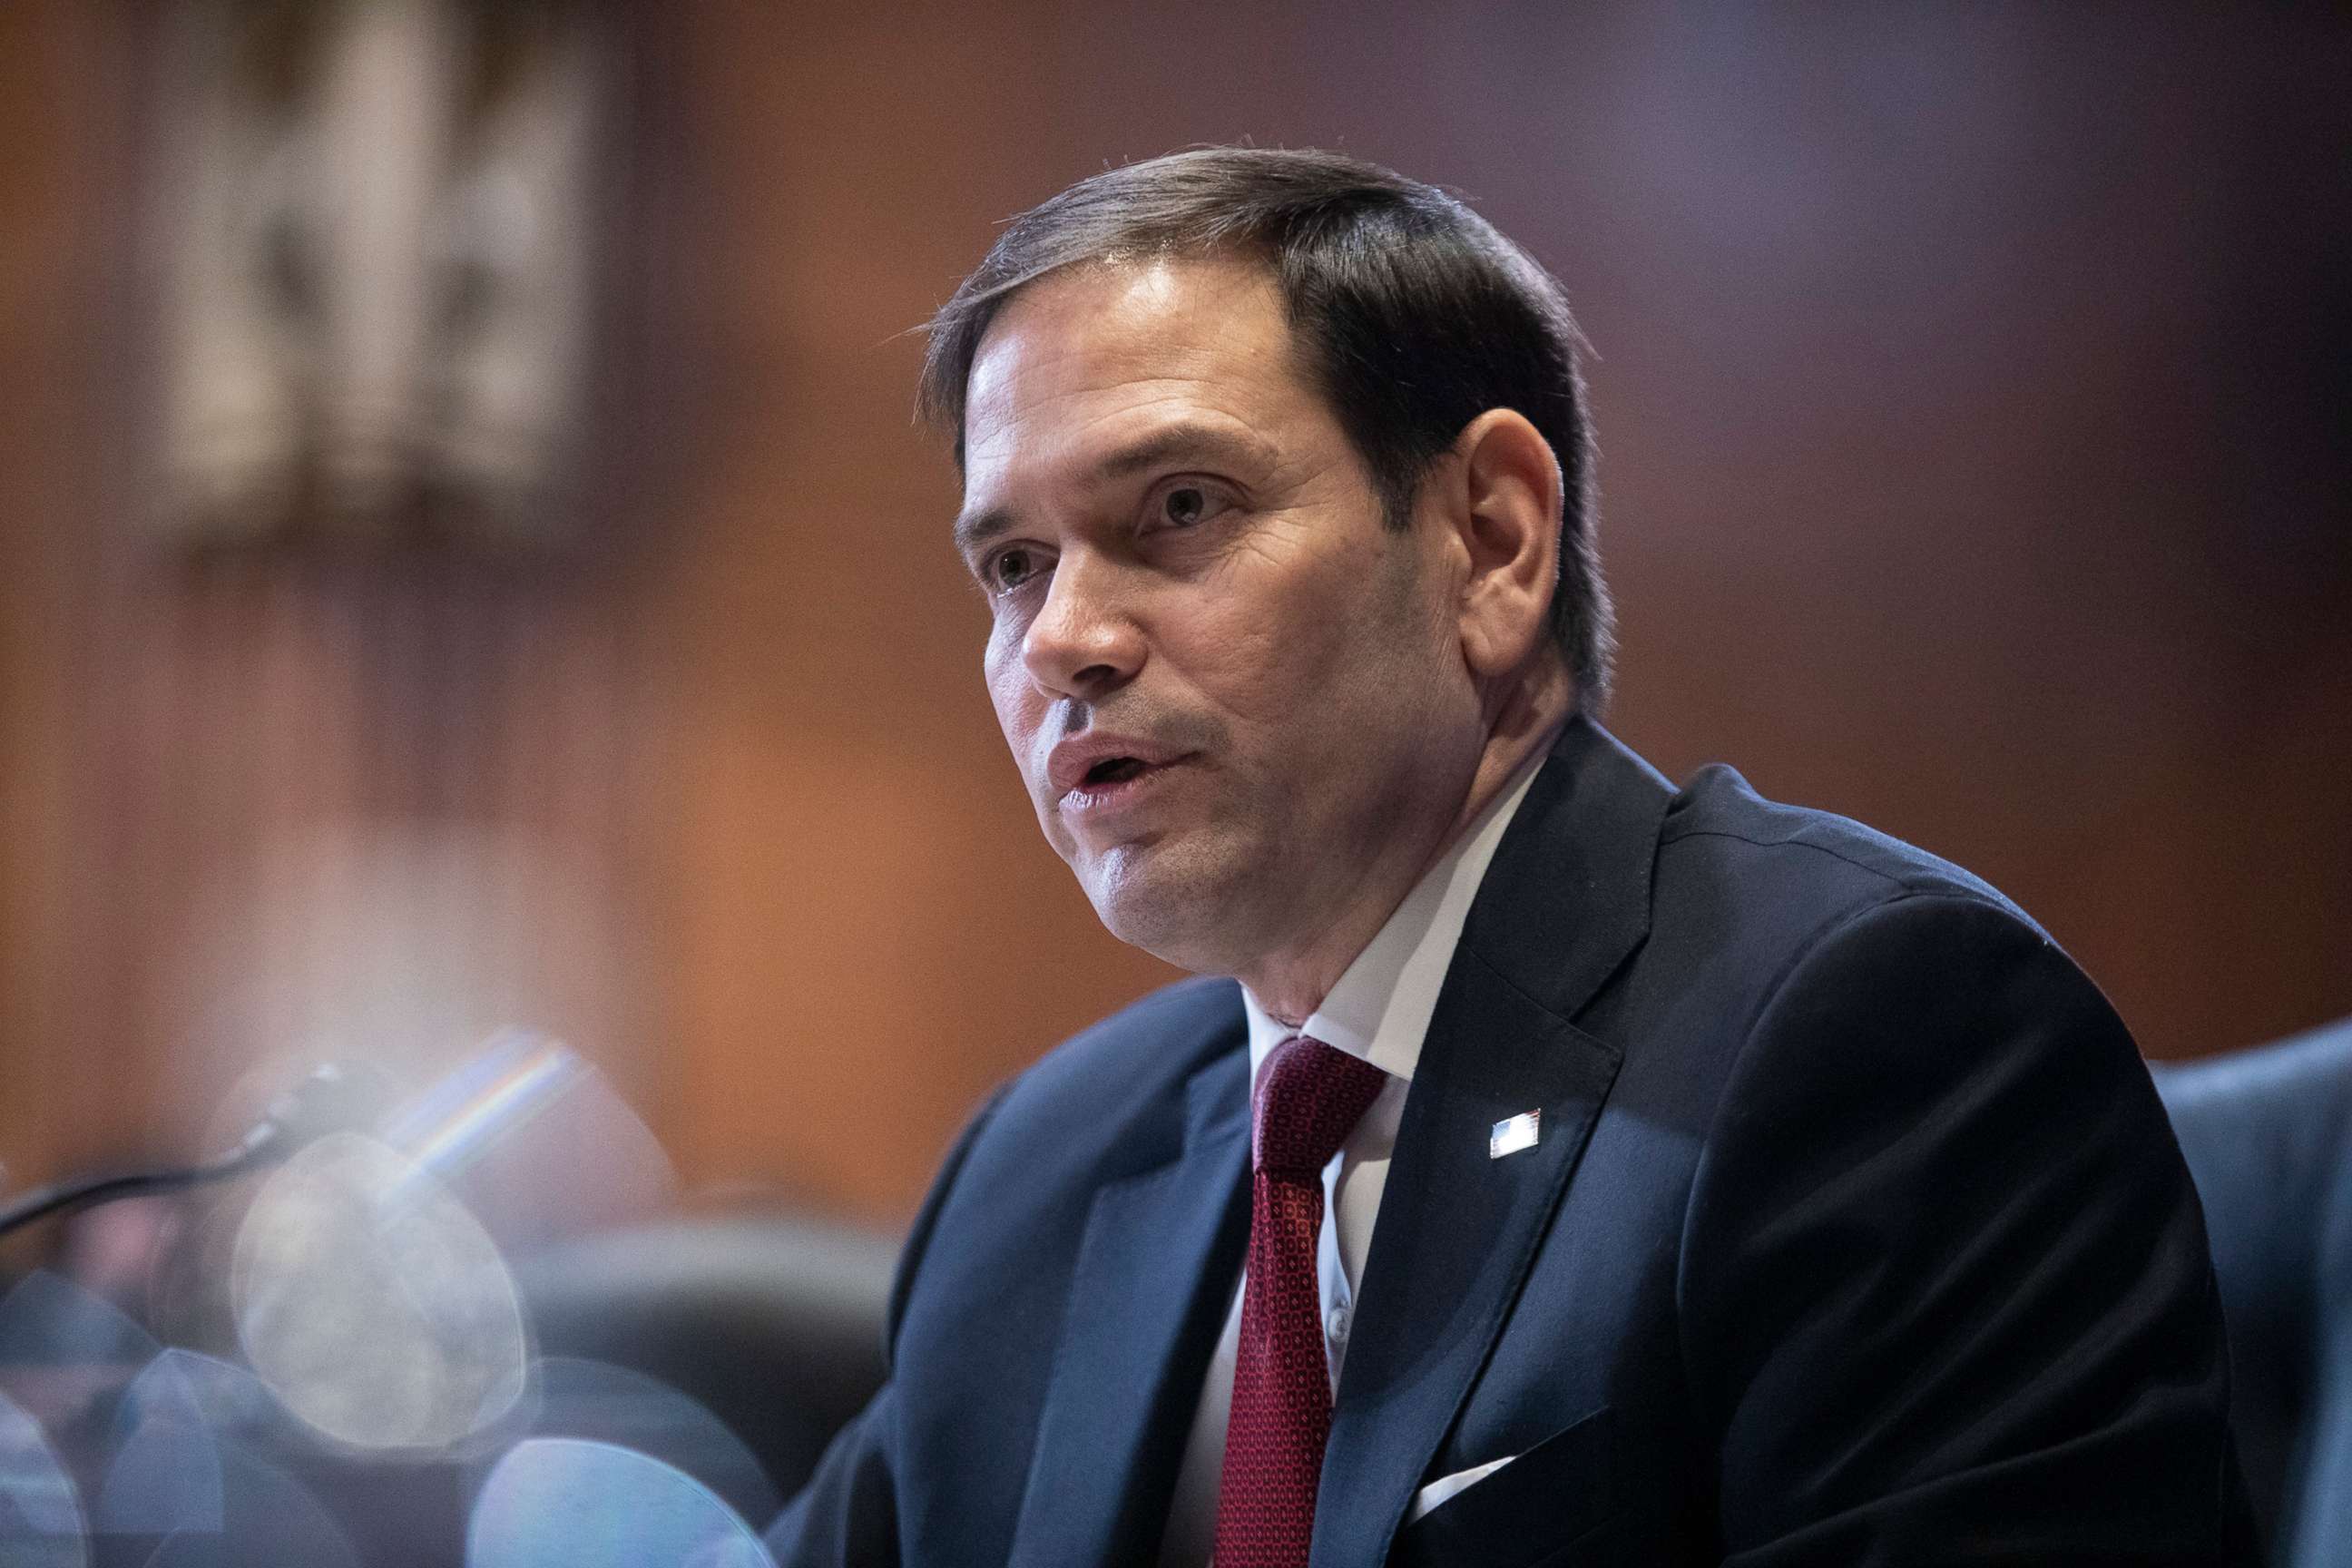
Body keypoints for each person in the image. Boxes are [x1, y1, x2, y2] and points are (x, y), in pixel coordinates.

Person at [766, 148, 2250, 1566]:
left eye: (1179, 510)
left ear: (1490, 540)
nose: (1066, 643)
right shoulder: (1048, 1167)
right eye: (1013, 566)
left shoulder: (1882, 1046)